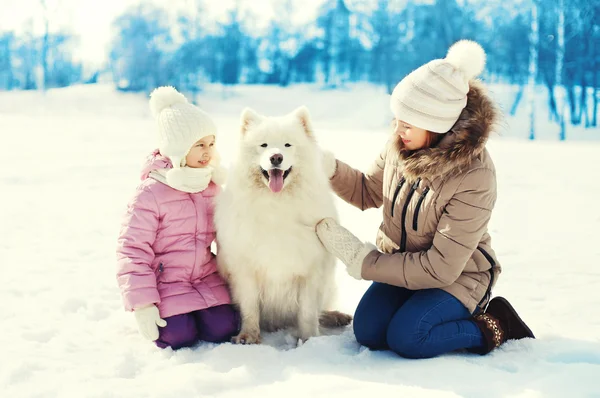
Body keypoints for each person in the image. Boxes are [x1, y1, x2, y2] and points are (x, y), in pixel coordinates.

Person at [315, 40, 535, 359]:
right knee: (369, 332)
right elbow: (367, 191)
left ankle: (495, 323)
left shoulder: (474, 175)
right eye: (397, 119)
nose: (397, 129)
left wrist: (363, 261)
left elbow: (439, 269)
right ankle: (416, 309)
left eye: (407, 123)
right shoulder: (401, 146)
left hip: (457, 276)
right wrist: (330, 168)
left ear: (436, 125)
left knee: (410, 338)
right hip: (403, 266)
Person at [116, 86, 238, 349]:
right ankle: (172, 318)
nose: (208, 152)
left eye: (212, 143)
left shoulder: (212, 185)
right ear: (179, 149)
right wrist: (144, 304)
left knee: (224, 328)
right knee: (178, 335)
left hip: (206, 277)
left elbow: (231, 235)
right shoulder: (150, 193)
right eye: (199, 145)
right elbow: (132, 249)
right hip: (165, 284)